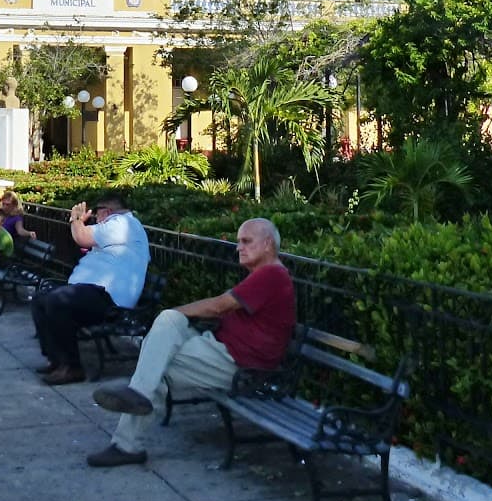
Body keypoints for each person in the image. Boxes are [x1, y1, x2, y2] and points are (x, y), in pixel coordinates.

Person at [85, 216, 296, 468]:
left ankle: (127, 440)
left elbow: (219, 307)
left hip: (239, 364)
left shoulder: (272, 275)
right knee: (168, 323)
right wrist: (172, 315)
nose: (239, 247)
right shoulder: (263, 275)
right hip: (219, 349)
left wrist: (176, 313)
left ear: (268, 244)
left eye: (246, 241)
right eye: (238, 242)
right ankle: (135, 405)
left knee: (156, 364)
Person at [32, 193, 149, 386]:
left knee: (58, 301)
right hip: (91, 291)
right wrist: (78, 223)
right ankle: (56, 360)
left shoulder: (122, 224)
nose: (95, 218)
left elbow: (82, 237)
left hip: (108, 299)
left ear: (107, 211)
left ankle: (72, 367)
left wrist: (76, 219)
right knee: (41, 299)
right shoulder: (115, 226)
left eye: (96, 214)